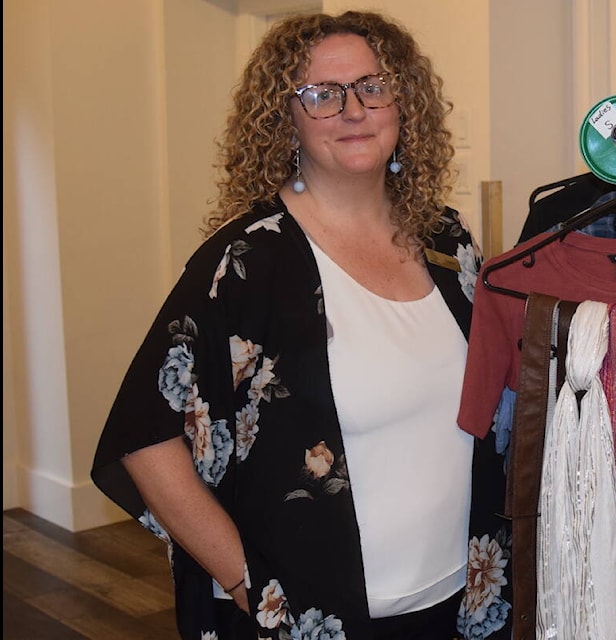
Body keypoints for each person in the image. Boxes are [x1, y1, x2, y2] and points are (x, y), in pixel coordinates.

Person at [91, 10, 485, 639]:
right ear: (286, 120)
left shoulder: (447, 241)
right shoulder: (248, 262)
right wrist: (247, 583)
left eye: (372, 86)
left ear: (402, 102)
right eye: (322, 95)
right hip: (319, 615)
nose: (353, 110)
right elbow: (145, 437)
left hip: (457, 602)